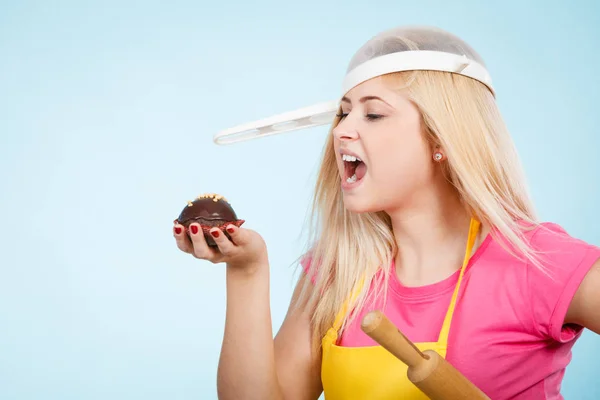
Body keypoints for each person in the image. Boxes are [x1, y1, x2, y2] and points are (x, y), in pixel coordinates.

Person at [173, 26, 600, 399]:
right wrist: (247, 271)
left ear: (442, 139)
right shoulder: (336, 274)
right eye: (343, 113)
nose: (341, 129)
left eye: (373, 113)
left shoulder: (536, 263)